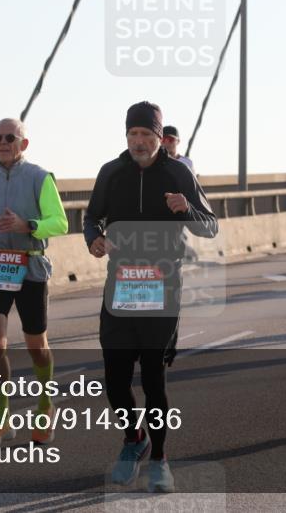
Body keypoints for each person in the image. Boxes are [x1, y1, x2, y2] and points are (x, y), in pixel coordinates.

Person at [83, 102, 218, 493]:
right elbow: (91, 216)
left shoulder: (178, 172)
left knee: (154, 379)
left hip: (163, 287)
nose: (139, 142)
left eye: (146, 135)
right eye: (133, 135)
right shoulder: (111, 172)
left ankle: (160, 457)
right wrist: (94, 238)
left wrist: (187, 207)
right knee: (115, 379)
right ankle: (134, 438)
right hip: (121, 284)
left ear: (160, 138)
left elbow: (209, 226)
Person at [0, 118, 68, 446]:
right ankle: (2, 418)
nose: (4, 142)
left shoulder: (39, 177)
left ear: (24, 143)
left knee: (37, 346)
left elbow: (59, 223)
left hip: (31, 265)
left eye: (10, 137)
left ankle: (46, 405)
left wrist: (28, 225)